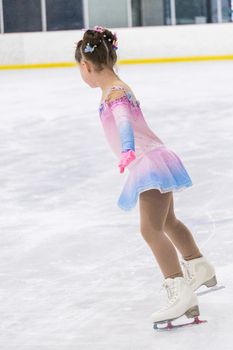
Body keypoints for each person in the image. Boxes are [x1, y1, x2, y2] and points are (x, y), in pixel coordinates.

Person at [74, 25, 217, 328]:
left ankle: (179, 291)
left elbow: (124, 120)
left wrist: (127, 149)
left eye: (79, 69)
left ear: (86, 66)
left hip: (147, 163)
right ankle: (199, 265)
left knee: (150, 229)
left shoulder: (114, 92)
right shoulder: (116, 86)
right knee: (167, 222)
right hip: (155, 158)